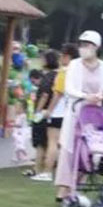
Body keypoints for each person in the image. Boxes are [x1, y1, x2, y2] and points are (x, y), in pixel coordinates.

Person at [55, 31, 103, 202]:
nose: (84, 48)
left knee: (88, 149)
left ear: (96, 47)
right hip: (76, 111)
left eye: (88, 45)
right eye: (82, 45)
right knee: (69, 148)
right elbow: (69, 89)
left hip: (94, 114)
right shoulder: (74, 65)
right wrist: (85, 96)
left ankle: (79, 186)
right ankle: (63, 188)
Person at [43, 44, 78, 186]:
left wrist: (49, 110)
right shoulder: (79, 72)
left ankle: (47, 172)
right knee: (66, 144)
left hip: (59, 112)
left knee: (53, 142)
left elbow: (57, 94)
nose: (61, 59)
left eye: (62, 56)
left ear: (68, 57)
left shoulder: (64, 72)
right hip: (72, 113)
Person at [29, 50, 60, 181]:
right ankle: (43, 168)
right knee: (49, 142)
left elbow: (45, 95)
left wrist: (38, 111)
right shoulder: (58, 75)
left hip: (44, 112)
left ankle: (38, 169)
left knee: (40, 143)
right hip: (54, 113)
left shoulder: (48, 77)